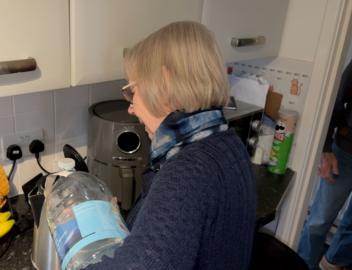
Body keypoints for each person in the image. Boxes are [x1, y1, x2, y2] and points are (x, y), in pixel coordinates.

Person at [85, 21, 256, 270]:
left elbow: (145, 264)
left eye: (133, 90)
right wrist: (122, 221)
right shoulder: (228, 143)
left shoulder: (189, 168)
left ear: (164, 81)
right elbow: (176, 233)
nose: (131, 108)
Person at [298, 60, 352, 270]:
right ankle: (303, 265)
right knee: (319, 221)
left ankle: (330, 263)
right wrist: (327, 149)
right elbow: (335, 101)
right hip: (345, 154)